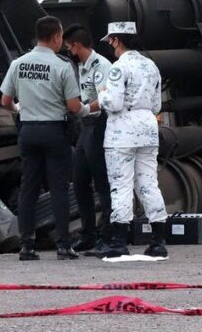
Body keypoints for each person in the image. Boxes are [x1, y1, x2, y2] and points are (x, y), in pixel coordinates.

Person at [0, 16, 90, 261]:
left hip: (28, 132)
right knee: (59, 188)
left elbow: (6, 102)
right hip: (54, 132)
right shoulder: (61, 66)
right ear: (57, 37)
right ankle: (63, 246)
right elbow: (73, 106)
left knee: (28, 188)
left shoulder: (19, 63)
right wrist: (88, 109)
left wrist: (22, 110)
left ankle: (26, 246)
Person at [90, 21, 168, 259]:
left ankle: (119, 242)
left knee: (121, 185)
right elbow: (156, 104)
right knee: (148, 183)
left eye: (111, 41)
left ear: (116, 40)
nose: (110, 46)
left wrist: (102, 93)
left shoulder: (118, 68)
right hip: (148, 128)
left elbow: (113, 103)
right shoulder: (151, 66)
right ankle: (159, 241)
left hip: (121, 132)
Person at [62, 24, 113, 255]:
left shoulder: (101, 65)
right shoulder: (81, 66)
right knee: (80, 180)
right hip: (86, 127)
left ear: (77, 45)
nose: (68, 52)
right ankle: (89, 234)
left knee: (102, 182)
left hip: (99, 124)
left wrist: (82, 109)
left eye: (69, 47)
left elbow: (103, 99)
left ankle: (107, 235)